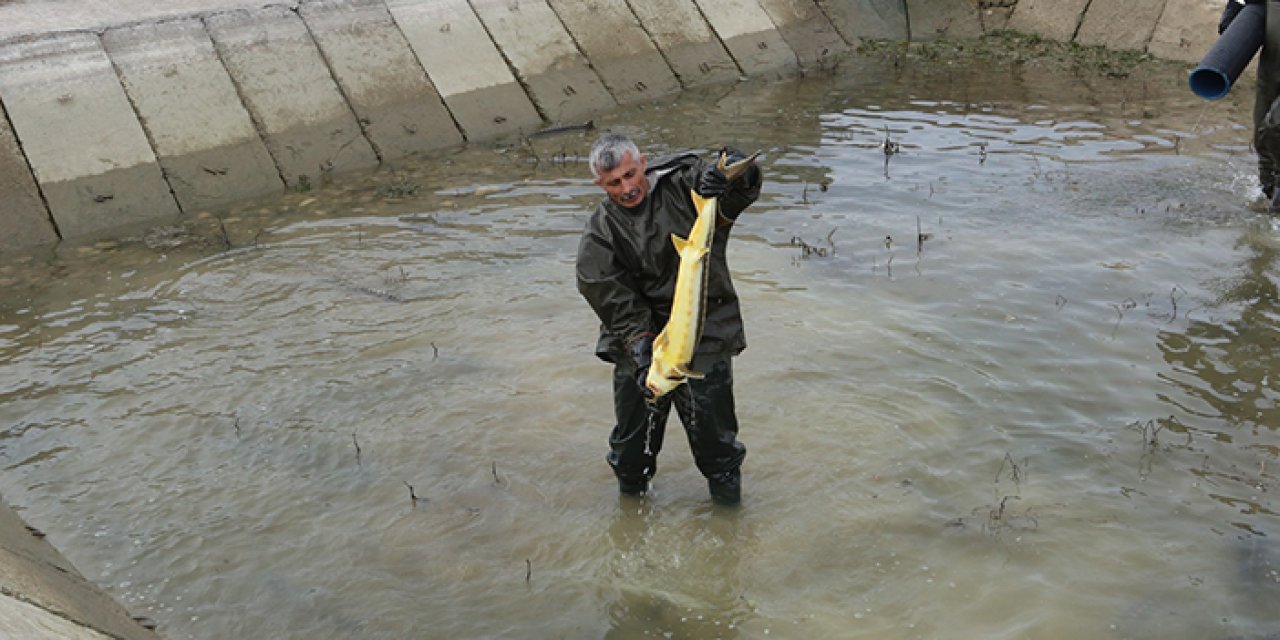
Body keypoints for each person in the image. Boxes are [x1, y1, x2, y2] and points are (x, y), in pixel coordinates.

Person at [575, 134, 761, 505]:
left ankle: (728, 523)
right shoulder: (600, 232)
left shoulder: (683, 181)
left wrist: (737, 173)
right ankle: (631, 508)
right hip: (642, 348)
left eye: (631, 174)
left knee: (718, 448)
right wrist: (641, 345)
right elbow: (604, 290)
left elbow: (735, 197)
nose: (627, 188)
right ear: (600, 184)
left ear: (643, 162)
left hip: (703, 337)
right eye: (614, 183)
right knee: (631, 451)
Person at [1220, 0, 1280, 208]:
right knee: (1262, 133)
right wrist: (1234, 8)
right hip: (1273, 61)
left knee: (1275, 126)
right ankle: (1267, 203)